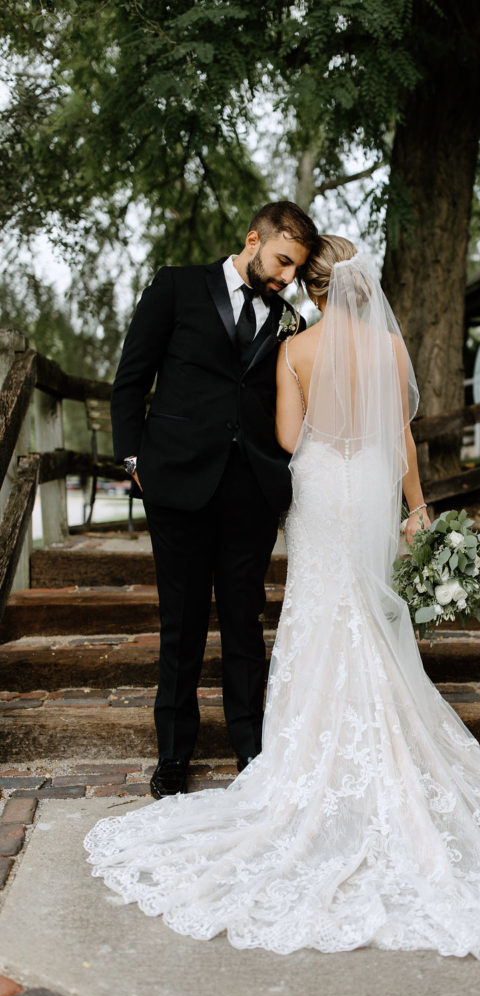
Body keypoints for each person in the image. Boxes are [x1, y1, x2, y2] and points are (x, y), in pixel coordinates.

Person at [85, 237, 480, 959]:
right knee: (371, 610)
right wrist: (417, 510)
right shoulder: (388, 349)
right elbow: (402, 438)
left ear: (314, 289)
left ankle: (303, 757)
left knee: (321, 608)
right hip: (372, 494)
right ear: (362, 286)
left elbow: (289, 437)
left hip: (320, 489)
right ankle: (390, 743)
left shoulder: (298, 348)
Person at [110, 201, 318, 799]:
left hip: (250, 489)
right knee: (181, 623)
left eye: (295, 272)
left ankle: (250, 750)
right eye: (281, 262)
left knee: (243, 622)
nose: (285, 279)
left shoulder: (289, 322)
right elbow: (132, 378)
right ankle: (174, 754)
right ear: (253, 239)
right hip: (176, 482)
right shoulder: (177, 286)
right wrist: (133, 460)